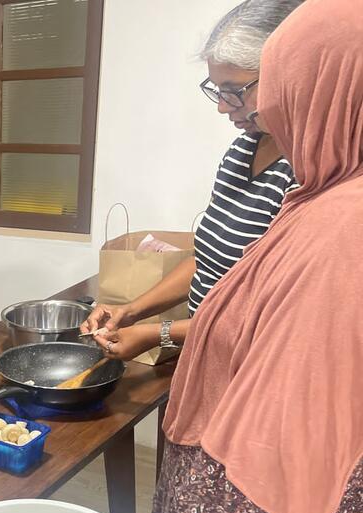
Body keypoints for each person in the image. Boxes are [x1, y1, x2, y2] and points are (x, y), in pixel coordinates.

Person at [133, 0, 363, 513]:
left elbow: (275, 460)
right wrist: (149, 314)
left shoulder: (342, 233)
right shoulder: (321, 192)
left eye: (262, 91)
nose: (250, 112)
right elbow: (217, 262)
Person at [82, 0, 302, 360]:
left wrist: (160, 333)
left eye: (235, 90)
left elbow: (272, 313)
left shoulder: (309, 174)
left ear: (289, 73)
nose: (221, 106)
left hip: (253, 363)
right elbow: (207, 258)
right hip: (204, 349)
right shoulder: (242, 150)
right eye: (217, 90)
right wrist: (132, 311)